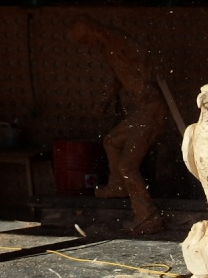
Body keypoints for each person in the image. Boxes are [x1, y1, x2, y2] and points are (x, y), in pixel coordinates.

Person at [69, 16, 169, 235]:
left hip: (151, 107)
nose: (86, 45)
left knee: (127, 166)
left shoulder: (117, 39)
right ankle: (118, 185)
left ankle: (148, 216)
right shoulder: (108, 47)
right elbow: (118, 76)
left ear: (91, 31)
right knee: (111, 141)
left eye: (85, 40)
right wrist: (105, 100)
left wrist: (147, 81)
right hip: (142, 109)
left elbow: (143, 56)